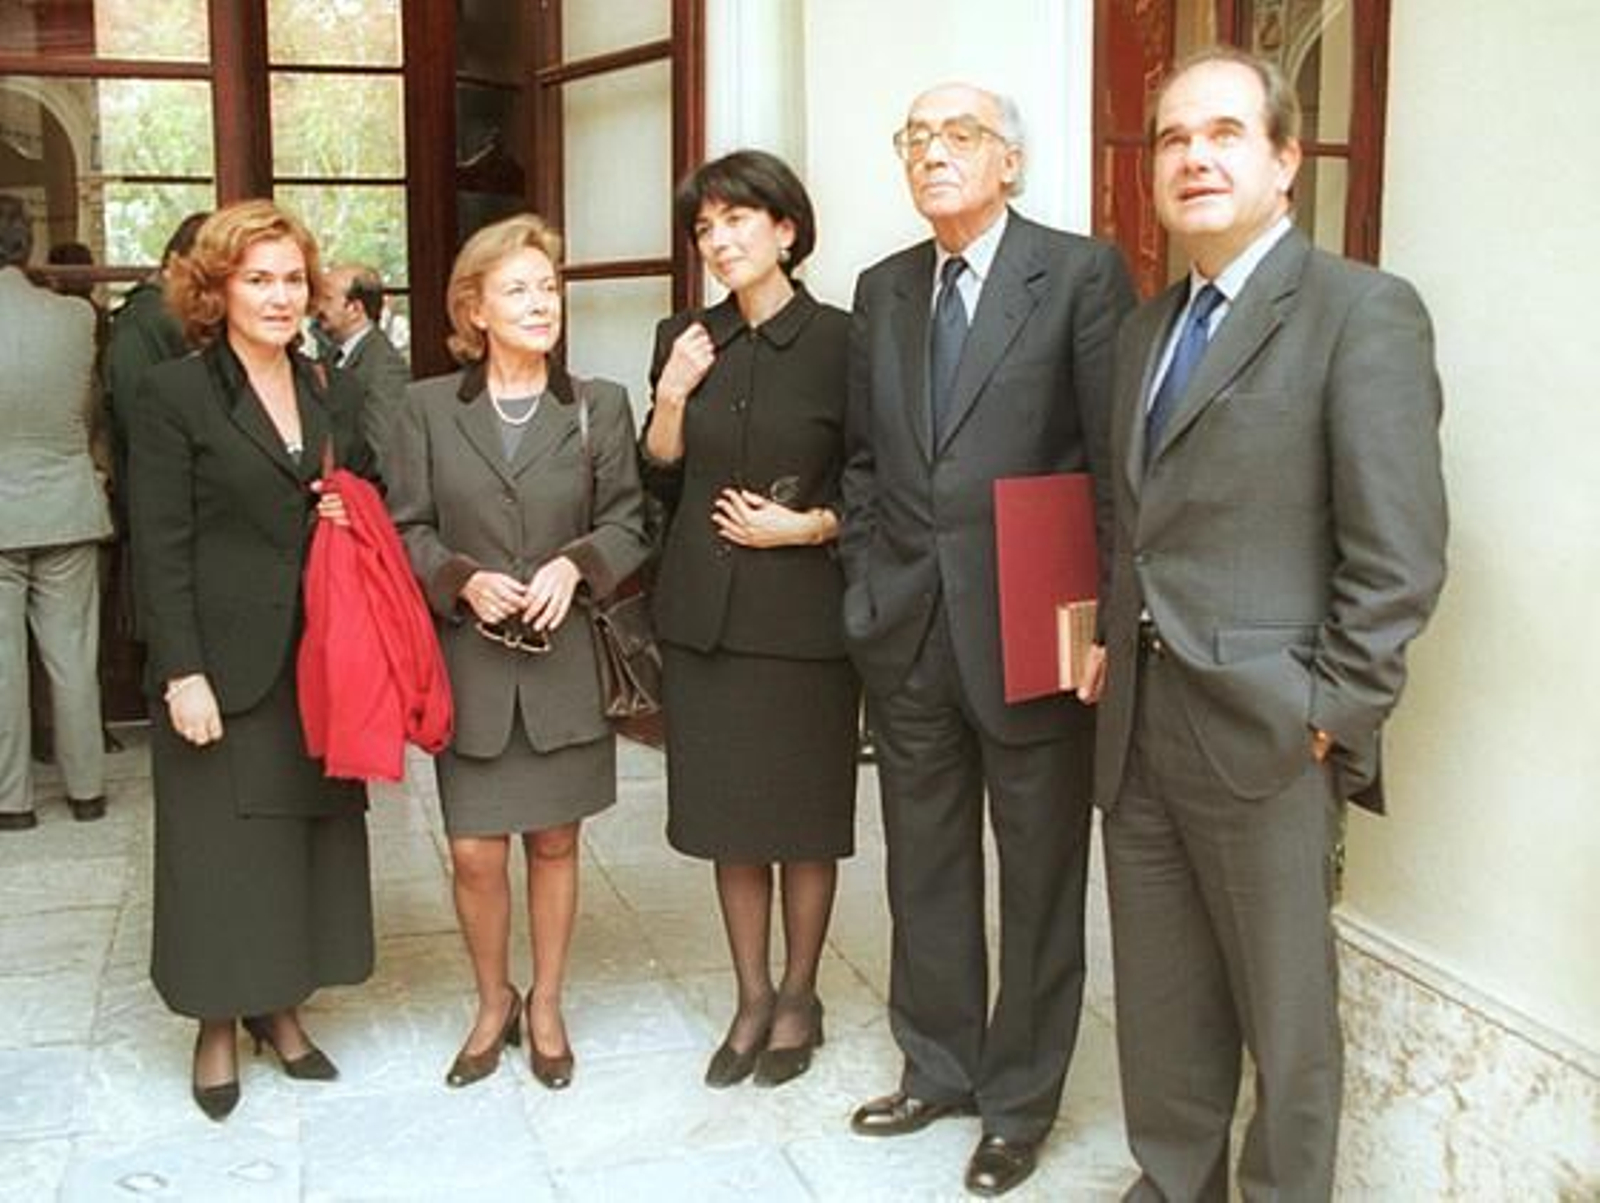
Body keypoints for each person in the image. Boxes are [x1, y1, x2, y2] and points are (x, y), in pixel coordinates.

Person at [1090, 47, 1447, 1201]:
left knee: (1287, 1022)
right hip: (1139, 725)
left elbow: (1398, 554)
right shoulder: (1145, 332)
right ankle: (1172, 1180)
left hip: (1269, 732)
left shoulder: (1359, 312)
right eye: (1173, 139)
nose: (1193, 157)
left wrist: (1327, 714)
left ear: (1285, 160)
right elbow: (1136, 523)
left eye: (1224, 134)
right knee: (1160, 995)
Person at [839, 84, 1136, 1196]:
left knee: (1041, 874)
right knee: (923, 863)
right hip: (908, 625)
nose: (932, 153)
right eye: (914, 137)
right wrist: (866, 585)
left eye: (958, 136)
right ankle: (939, 1065)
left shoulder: (1079, 274)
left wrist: (1106, 619)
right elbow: (863, 462)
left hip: (1032, 624)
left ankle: (1019, 1102)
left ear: (1009, 160)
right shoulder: (884, 287)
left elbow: (1113, 464)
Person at [387, 213, 649, 1092]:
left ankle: (547, 1005)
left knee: (556, 842)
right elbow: (405, 526)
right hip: (470, 662)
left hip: (564, 661)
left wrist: (578, 565)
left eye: (548, 288)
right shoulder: (425, 407)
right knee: (473, 850)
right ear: (476, 308)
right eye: (518, 290)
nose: (541, 304)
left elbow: (630, 519)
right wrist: (459, 578)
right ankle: (493, 998)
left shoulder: (599, 404)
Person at [127, 200, 377, 1121]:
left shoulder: (321, 384)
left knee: (294, 841)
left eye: (292, 280)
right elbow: (157, 543)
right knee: (217, 851)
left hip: (312, 658)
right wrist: (180, 670)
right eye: (257, 279)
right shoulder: (175, 393)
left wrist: (343, 505)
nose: (279, 296)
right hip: (217, 663)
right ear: (217, 290)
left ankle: (280, 1008)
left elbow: (340, 485)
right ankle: (216, 1023)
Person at [641, 150, 857, 1090]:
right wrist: (671, 393)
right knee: (731, 818)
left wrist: (810, 525)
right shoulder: (684, 336)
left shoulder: (845, 340)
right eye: (705, 228)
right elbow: (658, 476)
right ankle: (752, 995)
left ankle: (801, 995)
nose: (719, 240)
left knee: (804, 819)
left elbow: (879, 475)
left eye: (737, 220)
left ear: (786, 230)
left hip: (806, 620)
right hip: (705, 619)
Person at [0, 195, 113, 830]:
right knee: (72, 657)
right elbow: (89, 407)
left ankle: (11, 800)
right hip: (67, 501)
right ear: (27, 245)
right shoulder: (75, 317)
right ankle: (87, 789)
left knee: (1, 666)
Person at [316, 263, 411, 468]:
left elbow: (382, 450)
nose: (318, 307)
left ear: (355, 309)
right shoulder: (331, 356)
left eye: (327, 299)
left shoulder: (386, 367)